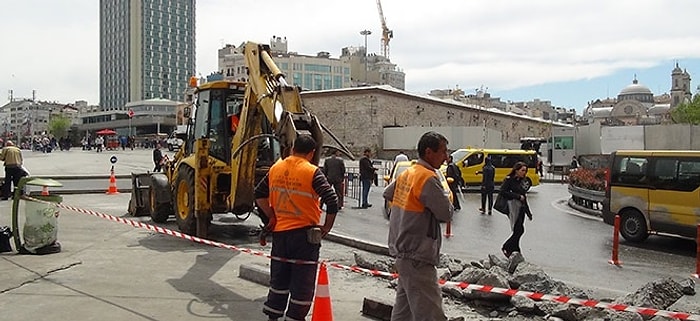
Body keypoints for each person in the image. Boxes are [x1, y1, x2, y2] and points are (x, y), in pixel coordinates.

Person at [254, 134, 338, 321]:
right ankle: (294, 318)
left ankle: (273, 315)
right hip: (304, 237)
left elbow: (259, 194)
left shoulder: (276, 168)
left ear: (292, 149)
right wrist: (326, 227)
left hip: (280, 235)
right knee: (302, 282)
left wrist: (272, 217)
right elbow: (332, 200)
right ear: (311, 153)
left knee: (279, 277)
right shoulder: (312, 172)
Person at [384, 131, 453, 321]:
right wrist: (446, 195)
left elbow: (388, 193)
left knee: (403, 311)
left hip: (402, 249)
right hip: (417, 254)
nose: (446, 157)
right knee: (431, 313)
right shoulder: (428, 178)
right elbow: (446, 213)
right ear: (429, 152)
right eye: (443, 152)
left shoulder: (409, 172)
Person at [499, 161, 533, 262]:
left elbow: (524, 196)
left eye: (525, 171)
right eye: (522, 170)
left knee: (519, 230)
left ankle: (515, 249)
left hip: (521, 207)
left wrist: (528, 212)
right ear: (516, 170)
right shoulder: (509, 180)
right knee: (518, 230)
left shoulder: (522, 181)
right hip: (513, 207)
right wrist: (517, 196)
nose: (524, 173)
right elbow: (503, 192)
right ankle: (507, 246)